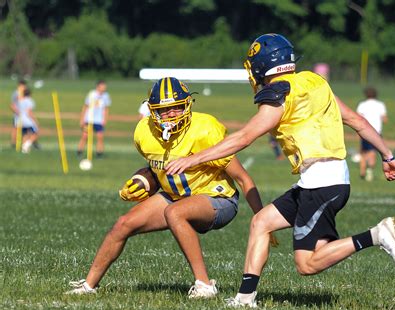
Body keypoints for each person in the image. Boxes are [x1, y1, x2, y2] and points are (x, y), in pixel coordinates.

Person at [166, 34, 395, 308]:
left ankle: (376, 235)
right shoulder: (314, 81)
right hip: (320, 180)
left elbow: (244, 137)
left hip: (322, 183)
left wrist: (194, 159)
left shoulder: (279, 92)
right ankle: (245, 298)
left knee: (307, 264)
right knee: (261, 222)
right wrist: (387, 155)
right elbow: (357, 121)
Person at [67, 77, 266, 298]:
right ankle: (88, 286)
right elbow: (156, 169)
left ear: (187, 105)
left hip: (217, 198)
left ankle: (204, 285)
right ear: (152, 111)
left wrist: (261, 218)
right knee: (123, 224)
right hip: (176, 196)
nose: (172, 114)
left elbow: (243, 178)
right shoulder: (144, 132)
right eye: (164, 110)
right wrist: (142, 181)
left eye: (177, 107)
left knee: (175, 212)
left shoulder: (205, 130)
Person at [356, 87, 388, 181]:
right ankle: (369, 171)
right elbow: (385, 119)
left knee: (363, 152)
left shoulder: (362, 104)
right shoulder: (380, 105)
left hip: (364, 131)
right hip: (376, 132)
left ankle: (362, 172)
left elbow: (358, 117)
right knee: (372, 152)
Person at [77, 80, 111, 158]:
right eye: (103, 87)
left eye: (105, 87)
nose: (104, 89)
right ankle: (79, 152)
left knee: (100, 137)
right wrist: (82, 119)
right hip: (89, 119)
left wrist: (105, 119)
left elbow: (106, 109)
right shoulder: (91, 94)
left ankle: (99, 154)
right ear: (98, 87)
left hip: (99, 120)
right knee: (85, 136)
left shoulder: (106, 96)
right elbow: (85, 106)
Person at [16, 88, 40, 153]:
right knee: (36, 133)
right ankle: (27, 144)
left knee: (25, 134)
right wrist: (35, 120)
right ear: (30, 94)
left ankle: (24, 150)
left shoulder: (20, 101)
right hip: (28, 120)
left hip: (20, 120)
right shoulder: (30, 101)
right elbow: (29, 112)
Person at [9, 79, 27, 148]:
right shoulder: (16, 93)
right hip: (17, 114)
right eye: (23, 86)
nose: (24, 87)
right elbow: (12, 105)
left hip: (24, 114)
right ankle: (13, 143)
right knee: (16, 128)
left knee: (24, 128)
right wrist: (17, 111)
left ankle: (24, 143)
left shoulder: (24, 93)